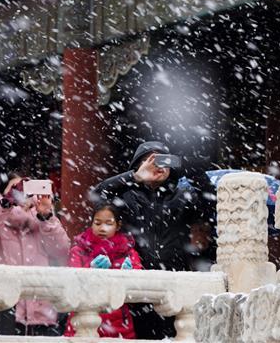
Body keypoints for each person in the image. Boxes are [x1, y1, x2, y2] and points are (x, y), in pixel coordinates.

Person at [91, 141, 216, 339]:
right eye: (151, 161)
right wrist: (135, 177)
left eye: (163, 160)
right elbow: (97, 195)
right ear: (139, 165)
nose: (158, 166)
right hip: (138, 284)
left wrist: (189, 170)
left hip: (176, 282)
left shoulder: (184, 195)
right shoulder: (127, 196)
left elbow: (212, 205)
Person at [0, 172, 70, 336]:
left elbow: (61, 249)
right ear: (4, 192)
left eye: (25, 189)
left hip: (41, 307)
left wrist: (45, 216)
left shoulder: (42, 219)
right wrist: (5, 205)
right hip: (3, 305)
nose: (21, 193)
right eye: (15, 189)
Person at [65, 203, 142, 339]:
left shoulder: (128, 253)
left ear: (118, 226)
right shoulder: (78, 250)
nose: (102, 228)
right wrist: (90, 271)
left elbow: (140, 289)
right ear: (91, 223)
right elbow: (71, 283)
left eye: (108, 223)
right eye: (98, 223)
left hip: (119, 325)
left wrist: (129, 277)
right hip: (83, 321)